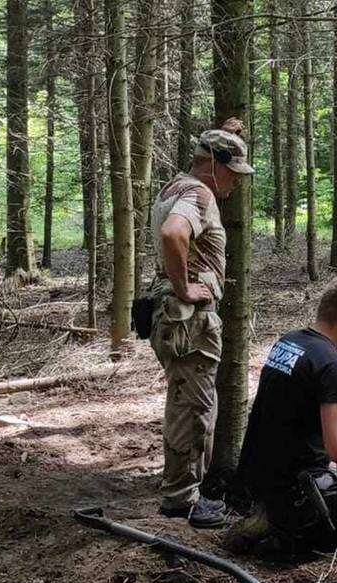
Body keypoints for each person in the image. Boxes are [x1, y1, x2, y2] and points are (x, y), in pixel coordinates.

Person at [226, 275, 337, 554]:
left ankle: (267, 518)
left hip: (257, 477)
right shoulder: (333, 365)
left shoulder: (288, 342)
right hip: (296, 491)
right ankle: (282, 536)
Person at [147, 119, 254, 529]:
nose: (235, 183)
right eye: (232, 173)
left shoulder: (177, 184)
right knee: (193, 408)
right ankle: (181, 500)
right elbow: (176, 233)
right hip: (188, 319)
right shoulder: (199, 192)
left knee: (186, 400)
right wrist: (186, 288)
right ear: (213, 164)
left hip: (175, 317)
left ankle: (182, 490)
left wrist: (226, 131)